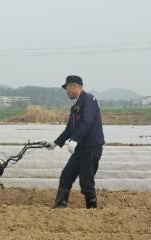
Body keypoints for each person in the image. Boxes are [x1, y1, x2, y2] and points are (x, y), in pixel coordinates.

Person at [46, 75, 105, 209]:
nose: (66, 91)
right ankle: (60, 206)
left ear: (74, 86)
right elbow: (69, 129)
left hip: (91, 148)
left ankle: (92, 208)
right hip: (79, 149)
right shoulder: (75, 107)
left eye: (67, 88)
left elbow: (87, 122)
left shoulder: (89, 100)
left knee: (86, 181)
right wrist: (56, 143)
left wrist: (75, 140)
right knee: (66, 176)